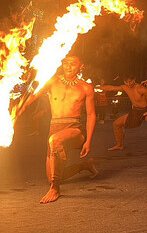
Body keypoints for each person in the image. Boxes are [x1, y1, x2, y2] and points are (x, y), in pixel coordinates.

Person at [16, 55, 98, 204]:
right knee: (51, 176)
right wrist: (20, 108)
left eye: (72, 64)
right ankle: (85, 166)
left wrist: (89, 141)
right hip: (54, 127)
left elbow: (92, 115)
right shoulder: (53, 81)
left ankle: (55, 189)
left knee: (55, 140)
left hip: (74, 128)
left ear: (81, 66)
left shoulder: (86, 87)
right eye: (66, 63)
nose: (68, 67)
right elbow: (33, 96)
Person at [99, 76, 147, 153]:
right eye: (126, 82)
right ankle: (119, 145)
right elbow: (111, 88)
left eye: (130, 81)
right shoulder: (125, 87)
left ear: (134, 79)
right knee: (116, 124)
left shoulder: (140, 88)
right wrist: (97, 86)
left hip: (146, 110)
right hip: (135, 111)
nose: (129, 84)